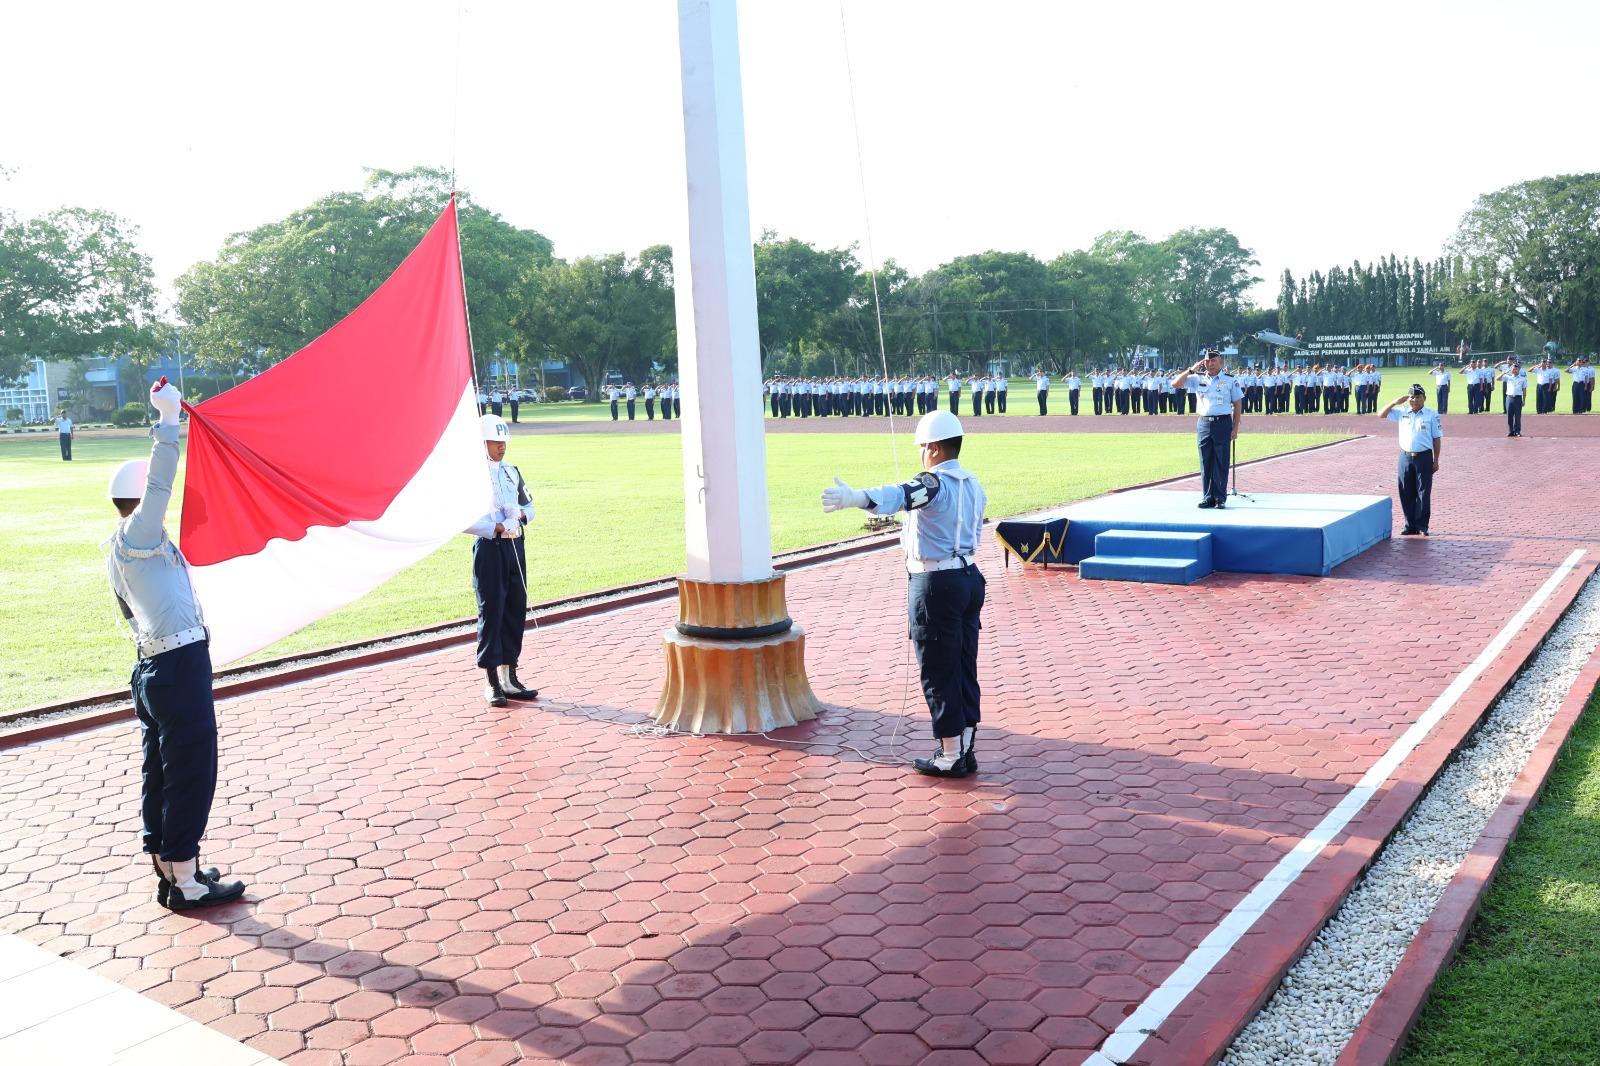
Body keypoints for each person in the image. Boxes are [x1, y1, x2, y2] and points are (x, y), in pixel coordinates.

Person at [105, 378, 246, 911]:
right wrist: (168, 422)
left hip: (157, 669)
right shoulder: (137, 536)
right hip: (175, 667)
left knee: (162, 772)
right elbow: (162, 482)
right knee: (191, 769)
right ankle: (186, 880)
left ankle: (168, 864)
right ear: (138, 502)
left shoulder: (128, 549)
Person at [821, 410, 987, 778]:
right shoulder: (974, 483)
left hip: (936, 583)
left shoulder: (931, 482)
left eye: (923, 447)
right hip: (969, 576)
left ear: (933, 448)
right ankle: (966, 746)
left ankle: (949, 754)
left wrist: (854, 498)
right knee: (963, 665)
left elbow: (898, 496)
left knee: (938, 670)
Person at [466, 414, 538, 707]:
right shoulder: (472, 476)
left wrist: (519, 515)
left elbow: (530, 507)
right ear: (482, 443)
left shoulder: (511, 472)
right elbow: (463, 518)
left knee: (514, 609)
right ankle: (492, 681)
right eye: (495, 442)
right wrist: (495, 526)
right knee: (492, 612)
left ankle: (511, 676)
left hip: (515, 547)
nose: (501, 447)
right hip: (490, 548)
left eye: (503, 441)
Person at [1172, 348, 1243, 509]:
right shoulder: (1196, 379)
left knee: (1221, 461)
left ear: (1221, 362)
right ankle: (1207, 497)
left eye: (1213, 361)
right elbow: (1175, 383)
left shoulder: (1230, 380)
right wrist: (1191, 369)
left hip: (1223, 423)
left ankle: (1220, 498)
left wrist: (1235, 427)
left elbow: (1238, 403)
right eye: (1207, 361)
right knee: (1205, 462)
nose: (1210, 364)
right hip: (1204, 423)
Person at [1379, 384, 1443, 536]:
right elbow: (1381, 414)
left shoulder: (1431, 415)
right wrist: (1395, 402)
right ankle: (1409, 525)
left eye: (1418, 397)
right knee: (1405, 491)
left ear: (1424, 398)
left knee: (1423, 492)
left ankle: (1422, 525)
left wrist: (1436, 460)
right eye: (1412, 397)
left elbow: (1437, 438)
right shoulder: (1402, 412)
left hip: (1424, 457)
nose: (1414, 400)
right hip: (1405, 457)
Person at [1495, 359, 1527, 436]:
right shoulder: (1508, 377)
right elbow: (1497, 379)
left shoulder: (1522, 379)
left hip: (1518, 398)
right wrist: (1503, 372)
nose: (1514, 370)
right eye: (1513, 368)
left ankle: (1517, 431)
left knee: (1517, 416)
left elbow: (1524, 390)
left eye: (1516, 368)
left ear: (1519, 369)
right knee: (1509, 415)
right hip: (1509, 398)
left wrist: (1524, 400)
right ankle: (1510, 431)